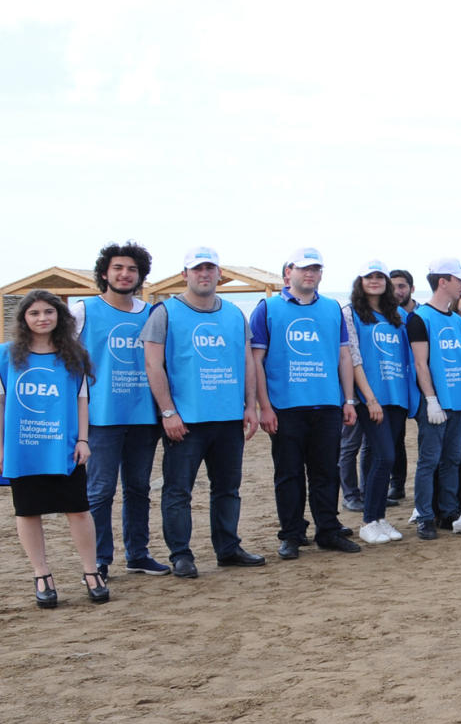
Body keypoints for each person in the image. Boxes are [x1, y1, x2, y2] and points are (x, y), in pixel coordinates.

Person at [142, 246, 265, 574]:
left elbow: (245, 363)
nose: (204, 274)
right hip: (187, 420)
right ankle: (181, 554)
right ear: (185, 275)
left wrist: (250, 406)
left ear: (219, 274)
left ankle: (228, 547)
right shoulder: (165, 312)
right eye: (197, 269)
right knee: (178, 490)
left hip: (228, 419)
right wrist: (168, 412)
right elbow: (153, 365)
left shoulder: (234, 314)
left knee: (228, 488)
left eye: (210, 268)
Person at [249, 248, 361, 558]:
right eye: (303, 269)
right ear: (289, 273)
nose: (309, 274)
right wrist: (264, 407)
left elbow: (343, 356)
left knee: (326, 471)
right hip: (285, 407)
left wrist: (348, 400)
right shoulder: (268, 308)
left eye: (315, 269)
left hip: (326, 404)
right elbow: (256, 360)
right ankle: (292, 534)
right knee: (288, 474)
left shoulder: (331, 309)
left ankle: (328, 529)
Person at [4, 291, 109, 607]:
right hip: (22, 448)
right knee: (27, 510)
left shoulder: (73, 355)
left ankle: (91, 572)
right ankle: (42, 575)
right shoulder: (5, 355)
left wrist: (83, 440)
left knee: (78, 509)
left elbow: (81, 400)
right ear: (24, 318)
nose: (42, 318)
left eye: (49, 312)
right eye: (34, 313)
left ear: (59, 317)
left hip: (63, 447)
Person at [69, 240, 165, 578]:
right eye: (118, 268)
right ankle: (98, 559)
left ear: (141, 276)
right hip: (101, 418)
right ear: (105, 273)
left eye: (132, 269)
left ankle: (138, 554)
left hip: (143, 417)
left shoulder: (153, 313)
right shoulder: (82, 311)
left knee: (138, 488)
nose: (125, 274)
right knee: (100, 491)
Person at [408, 259, 461, 540]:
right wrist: (431, 400)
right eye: (459, 280)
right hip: (436, 403)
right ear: (443, 282)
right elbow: (421, 364)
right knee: (429, 460)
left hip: (458, 400)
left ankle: (448, 511)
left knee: (453, 459)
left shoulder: (455, 320)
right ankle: (425, 515)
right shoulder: (420, 317)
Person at [342, 260, 411, 544]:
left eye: (380, 277)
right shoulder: (351, 313)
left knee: (381, 456)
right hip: (371, 397)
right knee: (385, 457)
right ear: (360, 281)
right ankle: (369, 520)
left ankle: (380, 517)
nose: (375, 281)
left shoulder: (397, 315)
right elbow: (353, 357)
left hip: (397, 396)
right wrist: (368, 398)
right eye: (369, 276)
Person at [383, 268, 415, 504]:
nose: (397, 291)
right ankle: (390, 485)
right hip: (388, 386)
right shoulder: (384, 314)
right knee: (387, 439)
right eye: (392, 286)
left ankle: (398, 483)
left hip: (413, 386)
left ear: (411, 288)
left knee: (402, 438)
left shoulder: (421, 313)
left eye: (402, 286)